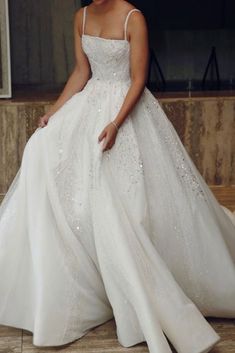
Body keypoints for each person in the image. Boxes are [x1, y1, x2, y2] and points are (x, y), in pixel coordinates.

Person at [0, 0, 234, 352]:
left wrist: (115, 123)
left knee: (124, 199)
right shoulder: (79, 17)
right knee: (41, 149)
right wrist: (54, 110)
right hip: (89, 105)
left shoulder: (133, 18)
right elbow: (82, 72)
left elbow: (138, 80)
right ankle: (77, 279)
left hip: (126, 109)